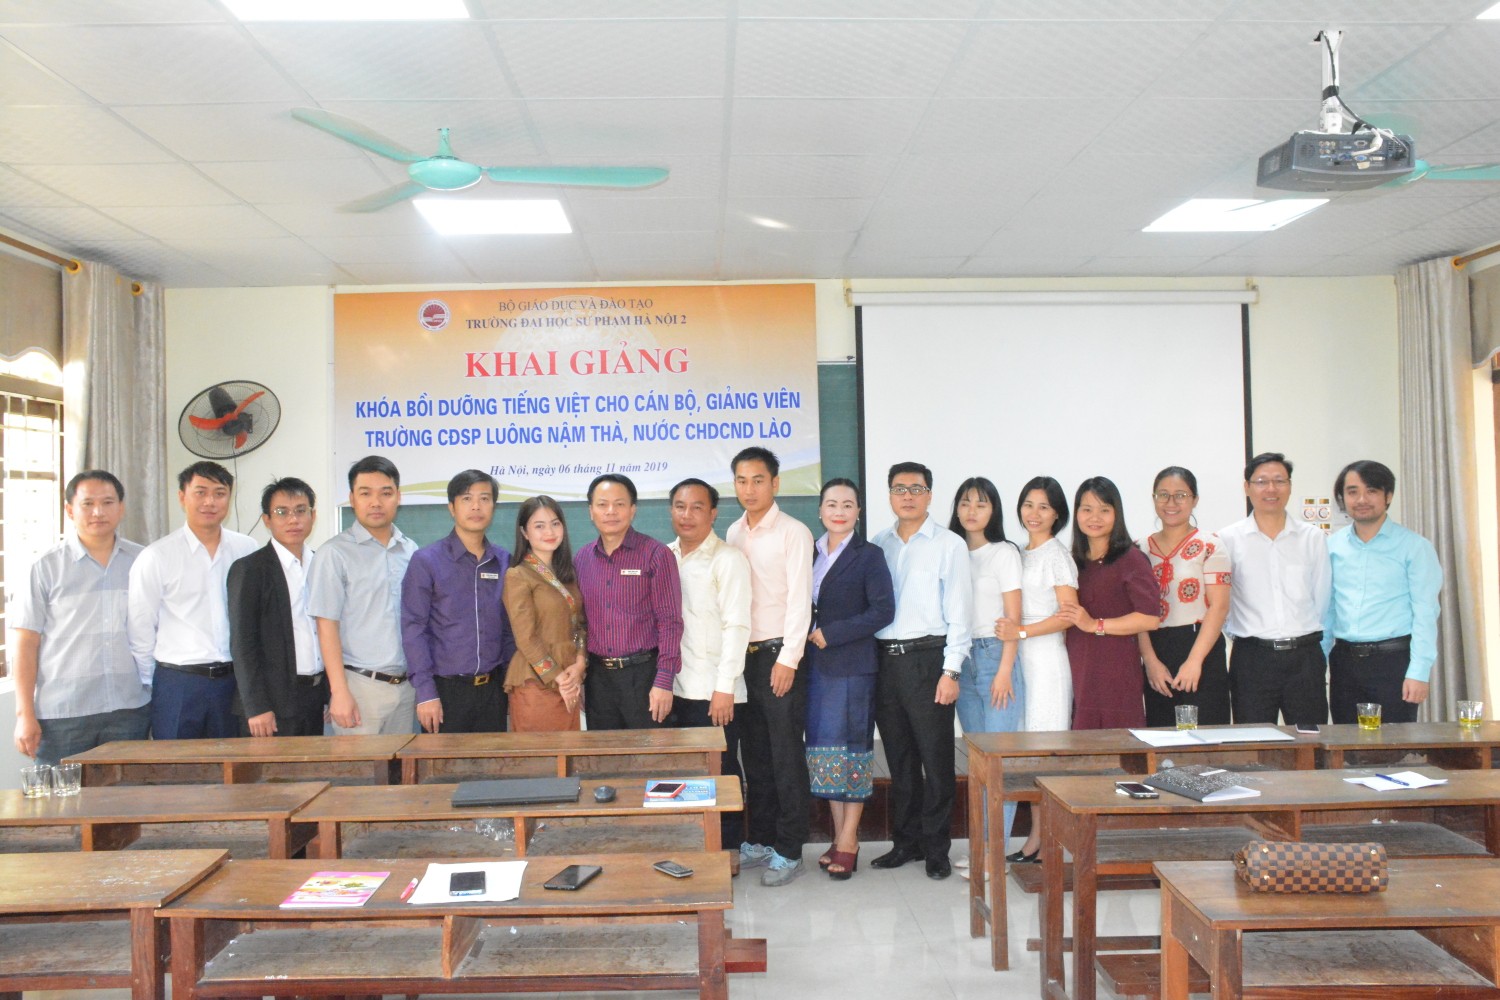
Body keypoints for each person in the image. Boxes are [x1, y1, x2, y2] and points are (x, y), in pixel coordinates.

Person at [870, 461, 971, 881]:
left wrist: (951, 672)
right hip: (884, 663)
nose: (907, 495)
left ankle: (936, 847)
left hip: (929, 661)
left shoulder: (950, 545)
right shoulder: (878, 544)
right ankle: (906, 842)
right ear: (889, 495)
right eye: (899, 488)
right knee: (900, 759)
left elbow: (960, 612)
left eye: (916, 488)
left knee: (936, 759)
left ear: (930, 495)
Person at [12, 470, 149, 765]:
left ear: (121, 508)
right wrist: (24, 714)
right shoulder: (45, 567)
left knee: (128, 804)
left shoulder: (144, 562)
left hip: (130, 709)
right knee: (57, 805)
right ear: (70, 510)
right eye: (87, 504)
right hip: (64, 714)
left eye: (108, 502)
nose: (98, 512)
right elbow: (25, 643)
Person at [725, 446, 815, 887]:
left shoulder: (794, 533)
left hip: (780, 657)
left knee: (785, 754)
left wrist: (789, 659)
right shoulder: (733, 532)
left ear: (775, 484)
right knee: (755, 754)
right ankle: (760, 839)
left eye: (758, 480)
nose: (749, 488)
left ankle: (791, 847)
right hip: (744, 658)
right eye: (741, 480)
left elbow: (801, 601)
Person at [129, 460, 259, 740]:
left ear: (229, 497)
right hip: (178, 684)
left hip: (235, 683)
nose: (210, 501)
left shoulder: (246, 549)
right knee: (178, 774)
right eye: (200, 492)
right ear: (182, 497)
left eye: (219, 493)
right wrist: (153, 685)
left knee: (237, 772)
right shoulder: (157, 556)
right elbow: (141, 629)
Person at [804, 478, 894, 880]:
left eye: (848, 504)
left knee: (853, 753)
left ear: (858, 511)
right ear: (821, 510)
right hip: (817, 669)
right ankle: (839, 834)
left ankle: (850, 840)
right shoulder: (810, 553)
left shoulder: (869, 555)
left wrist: (834, 632)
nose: (839, 510)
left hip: (854, 667)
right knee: (826, 754)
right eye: (831, 504)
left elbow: (882, 611)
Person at [995, 476, 1077, 863]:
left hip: (1045, 662)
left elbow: (1068, 615)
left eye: (1044, 506)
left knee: (1045, 754)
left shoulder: (1056, 555)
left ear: (1057, 513)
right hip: (1022, 660)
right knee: (1029, 754)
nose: (1034, 513)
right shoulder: (1021, 553)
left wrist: (1022, 630)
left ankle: (1045, 841)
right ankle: (1037, 838)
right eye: (1029, 504)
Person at [1324, 460, 1442, 725]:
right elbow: (1328, 610)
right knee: (1345, 747)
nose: (1361, 499)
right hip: (1344, 662)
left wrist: (1419, 672)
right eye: (1353, 492)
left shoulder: (1414, 547)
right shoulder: (1332, 547)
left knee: (1393, 749)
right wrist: (1318, 663)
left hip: (1393, 662)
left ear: (1388, 496)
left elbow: (1425, 613)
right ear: (1343, 498)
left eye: (1372, 491)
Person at [307, 455, 418, 735]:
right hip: (359, 688)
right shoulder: (334, 554)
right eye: (365, 493)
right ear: (352, 498)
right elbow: (326, 626)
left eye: (386, 493)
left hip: (406, 688)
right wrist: (339, 691)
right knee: (362, 776)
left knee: (402, 777)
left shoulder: (411, 550)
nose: (376, 502)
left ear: (398, 497)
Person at [668, 478, 751, 848]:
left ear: (713, 513)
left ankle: (728, 850)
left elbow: (737, 625)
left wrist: (725, 687)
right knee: (682, 776)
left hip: (714, 692)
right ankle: (694, 848)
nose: (687, 515)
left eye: (697, 507)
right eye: (680, 506)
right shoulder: (664, 557)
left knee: (721, 774)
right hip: (673, 689)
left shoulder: (727, 559)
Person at [1218, 452, 1331, 726]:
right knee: (1253, 744)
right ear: (1247, 487)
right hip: (1252, 659)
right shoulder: (1227, 539)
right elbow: (1222, 602)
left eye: (1279, 481)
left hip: (1305, 658)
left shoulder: (1312, 538)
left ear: (1290, 486)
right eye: (1261, 481)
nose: (1271, 489)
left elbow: (1322, 597)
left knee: (1311, 743)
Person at [401, 470, 514, 734]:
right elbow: (413, 629)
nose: (476, 506)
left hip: (493, 691)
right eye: (466, 499)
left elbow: (509, 628)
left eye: (484, 498)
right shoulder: (427, 561)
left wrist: (511, 683)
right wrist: (426, 692)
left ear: (493, 507)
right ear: (451, 507)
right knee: (443, 774)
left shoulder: (504, 561)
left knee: (491, 772)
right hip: (444, 693)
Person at [948, 476, 1024, 851]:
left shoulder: (1004, 552)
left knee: (998, 762)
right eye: (965, 503)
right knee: (979, 762)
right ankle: (981, 849)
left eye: (981, 503)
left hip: (996, 657)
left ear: (993, 509)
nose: (972, 511)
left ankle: (995, 853)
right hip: (961, 658)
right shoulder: (951, 550)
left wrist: (1006, 669)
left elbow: (1014, 618)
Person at [574, 473, 684, 729]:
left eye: (620, 504)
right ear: (591, 511)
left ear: (633, 510)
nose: (611, 511)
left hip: (644, 677)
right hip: (598, 679)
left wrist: (664, 681)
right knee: (604, 761)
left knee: (648, 762)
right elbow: (579, 623)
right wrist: (581, 677)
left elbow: (670, 622)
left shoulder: (656, 555)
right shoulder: (582, 559)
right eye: (602, 504)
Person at [227, 477, 326, 737]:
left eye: (301, 511)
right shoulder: (249, 569)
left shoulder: (320, 564)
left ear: (313, 516)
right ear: (267, 520)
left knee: (314, 774)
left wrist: (328, 693)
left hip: (314, 697)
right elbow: (242, 643)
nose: (293, 520)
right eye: (282, 512)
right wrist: (256, 706)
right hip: (272, 704)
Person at [1137, 467, 1232, 727]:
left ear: (1195, 500)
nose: (1171, 503)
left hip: (1200, 646)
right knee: (1162, 737)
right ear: (1154, 498)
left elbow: (1219, 607)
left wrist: (1194, 662)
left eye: (1180, 495)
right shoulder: (1139, 549)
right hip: (1156, 649)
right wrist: (1150, 662)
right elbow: (1137, 614)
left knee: (1207, 737)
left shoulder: (1211, 545)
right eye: (1163, 495)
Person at [1063, 476, 1159, 730]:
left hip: (1115, 667)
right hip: (1078, 665)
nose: (1094, 517)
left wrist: (1096, 624)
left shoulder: (1131, 558)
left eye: (1104, 510)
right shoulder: (1072, 561)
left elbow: (1149, 617)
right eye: (1087, 509)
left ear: (1117, 514)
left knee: (1118, 743)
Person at [503, 495, 587, 731]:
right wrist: (559, 678)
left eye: (555, 523)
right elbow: (525, 638)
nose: (549, 531)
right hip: (537, 683)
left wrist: (580, 664)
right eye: (539, 525)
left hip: (570, 679)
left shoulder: (567, 574)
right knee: (540, 763)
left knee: (567, 760)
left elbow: (579, 625)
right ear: (525, 532)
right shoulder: (518, 575)